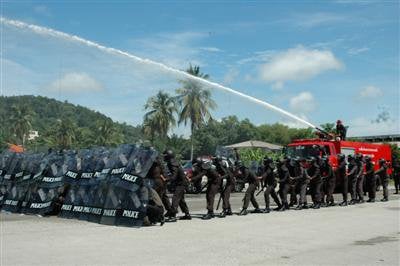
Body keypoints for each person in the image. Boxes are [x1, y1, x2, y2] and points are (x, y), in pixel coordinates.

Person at [163, 149, 191, 221]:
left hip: (181, 183)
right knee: (181, 199)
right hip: (181, 182)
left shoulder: (172, 163)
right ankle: (187, 214)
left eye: (165, 156)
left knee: (175, 198)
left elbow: (174, 175)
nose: (164, 157)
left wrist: (167, 179)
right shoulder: (173, 162)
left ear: (168, 156)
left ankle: (173, 216)